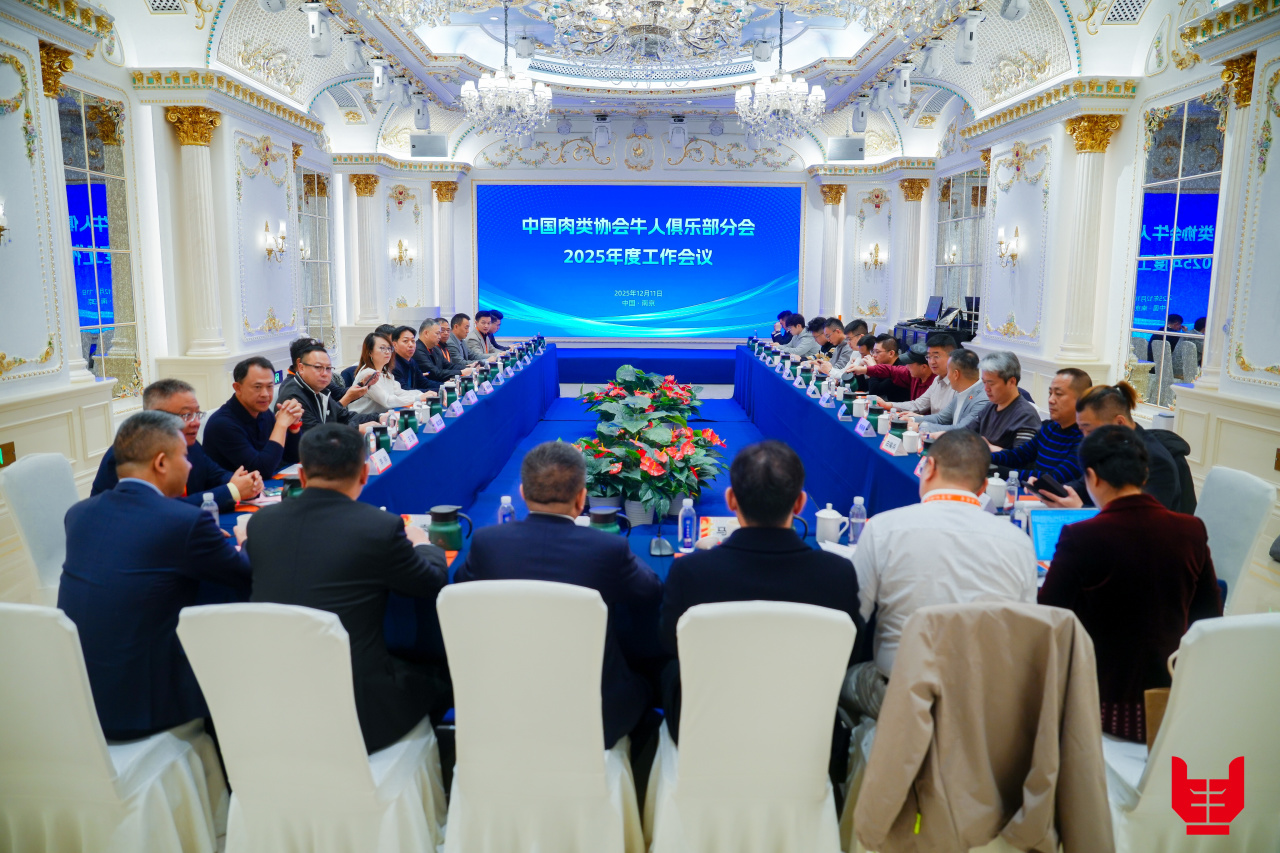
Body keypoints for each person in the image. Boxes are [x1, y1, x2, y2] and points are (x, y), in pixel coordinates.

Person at [246, 423, 451, 753]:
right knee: (441, 675)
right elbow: (430, 582)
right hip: (360, 712)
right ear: (364, 473)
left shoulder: (260, 524)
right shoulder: (380, 527)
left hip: (275, 700)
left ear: (302, 476)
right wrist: (425, 544)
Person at [454, 440, 662, 751]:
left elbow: (460, 585)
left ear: (522, 494)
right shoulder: (608, 549)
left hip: (504, 709)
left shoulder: (487, 543)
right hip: (595, 720)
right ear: (581, 499)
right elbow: (651, 591)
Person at [60, 411, 252, 740]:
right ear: (161, 463)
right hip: (144, 707)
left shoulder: (79, 514)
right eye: (184, 457)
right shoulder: (183, 521)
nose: (189, 466)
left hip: (78, 700)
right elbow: (245, 576)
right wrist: (246, 539)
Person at [660, 441, 865, 740]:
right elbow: (853, 652)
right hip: (806, 733)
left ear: (731, 499)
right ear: (800, 503)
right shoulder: (837, 574)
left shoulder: (691, 572)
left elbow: (669, 644)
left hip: (707, 731)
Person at [1038, 425, 1221, 743]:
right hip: (1170, 705)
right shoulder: (1191, 529)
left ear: (1092, 477)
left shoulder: (1082, 536)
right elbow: (1208, 617)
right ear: (1145, 473)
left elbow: (1049, 616)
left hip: (1100, 705)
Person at [844, 430, 1037, 719]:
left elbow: (854, 615)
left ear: (930, 466)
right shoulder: (1019, 542)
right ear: (984, 486)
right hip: (984, 704)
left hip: (902, 694)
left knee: (842, 678)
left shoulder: (883, 528)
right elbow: (1025, 631)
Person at [92, 379, 261, 512]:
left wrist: (243, 481)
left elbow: (214, 474)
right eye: (186, 415)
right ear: (154, 417)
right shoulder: (127, 455)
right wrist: (232, 491)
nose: (196, 422)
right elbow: (161, 509)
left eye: (197, 413)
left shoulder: (189, 444)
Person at [1032, 381, 1188, 512]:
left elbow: (1144, 520)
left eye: (1089, 430)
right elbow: (1082, 486)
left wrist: (1079, 509)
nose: (1085, 437)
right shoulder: (1107, 448)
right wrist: (1052, 491)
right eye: (1081, 430)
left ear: (1119, 422)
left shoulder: (1157, 461)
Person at [204, 356, 304, 478]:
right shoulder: (222, 424)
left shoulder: (263, 413)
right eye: (257, 387)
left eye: (269, 386)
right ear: (238, 388)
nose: (265, 394)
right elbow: (261, 470)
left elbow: (293, 458)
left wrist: (293, 426)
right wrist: (281, 425)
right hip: (233, 489)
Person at [277, 337, 382, 450]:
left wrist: (379, 417)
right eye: (318, 367)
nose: (325, 373)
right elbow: (315, 435)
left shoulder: (318, 387)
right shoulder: (293, 395)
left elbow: (344, 416)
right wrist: (357, 429)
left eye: (328, 368)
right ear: (301, 366)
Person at [988, 367, 1090, 482]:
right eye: (1050, 393)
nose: (1051, 400)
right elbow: (1018, 456)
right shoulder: (1048, 428)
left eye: (1058, 394)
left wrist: (994, 470)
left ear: (1082, 400)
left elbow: (1054, 478)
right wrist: (984, 458)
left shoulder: (1085, 438)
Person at [348, 332, 436, 416]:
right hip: (362, 420)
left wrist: (421, 394)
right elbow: (387, 401)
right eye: (382, 348)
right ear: (370, 352)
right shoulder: (367, 374)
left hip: (381, 416)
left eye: (389, 348)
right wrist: (418, 398)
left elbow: (399, 392)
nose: (387, 352)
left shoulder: (385, 372)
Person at [971, 351, 1042, 449]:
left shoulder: (1026, 416)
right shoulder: (989, 407)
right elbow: (966, 432)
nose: (986, 388)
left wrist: (988, 447)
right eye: (984, 382)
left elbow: (1021, 456)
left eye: (991, 383)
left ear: (1012, 382)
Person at [915, 348, 989, 435]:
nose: (947, 376)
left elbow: (962, 429)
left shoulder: (982, 399)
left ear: (956, 374)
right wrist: (912, 419)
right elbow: (940, 418)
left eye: (948, 370)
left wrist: (921, 426)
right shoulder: (961, 391)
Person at [887, 333, 956, 415]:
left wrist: (919, 418)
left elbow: (948, 420)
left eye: (936, 356)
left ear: (952, 357)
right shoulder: (937, 380)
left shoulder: (958, 384)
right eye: (929, 357)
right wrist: (888, 405)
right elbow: (918, 405)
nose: (931, 362)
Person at [844, 341, 935, 403]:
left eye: (877, 352)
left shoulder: (936, 383)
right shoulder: (910, 373)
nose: (906, 366)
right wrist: (864, 369)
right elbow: (890, 370)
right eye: (873, 352)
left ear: (923, 367)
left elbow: (875, 390)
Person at [391, 326, 439, 393]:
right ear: (394, 345)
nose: (411, 345)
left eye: (413, 341)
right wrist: (436, 391)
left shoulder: (412, 362)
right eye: (405, 341)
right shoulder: (393, 365)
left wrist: (445, 386)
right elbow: (404, 390)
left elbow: (423, 382)